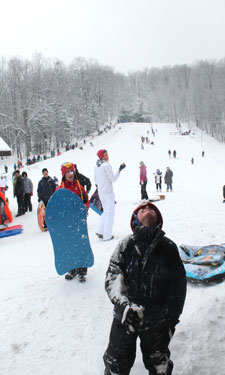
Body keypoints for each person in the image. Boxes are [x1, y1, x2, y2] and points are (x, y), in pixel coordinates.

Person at [103, 201, 186, 375]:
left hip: (157, 322)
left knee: (159, 366)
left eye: (152, 209)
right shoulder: (125, 245)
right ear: (135, 219)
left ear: (159, 220)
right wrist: (123, 305)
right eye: (142, 209)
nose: (147, 208)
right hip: (124, 319)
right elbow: (113, 277)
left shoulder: (168, 248)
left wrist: (171, 321)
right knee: (116, 362)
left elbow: (178, 288)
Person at [57, 162, 89, 282]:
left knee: (81, 246)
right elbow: (56, 206)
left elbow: (86, 200)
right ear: (63, 174)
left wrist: (85, 207)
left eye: (71, 172)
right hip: (67, 224)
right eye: (67, 172)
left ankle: (82, 271)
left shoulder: (79, 187)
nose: (70, 174)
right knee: (69, 246)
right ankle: (72, 269)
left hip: (79, 223)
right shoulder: (60, 189)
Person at [94, 149, 126, 241]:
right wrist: (120, 170)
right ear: (102, 156)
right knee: (110, 214)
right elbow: (113, 179)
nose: (107, 156)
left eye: (107, 154)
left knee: (106, 212)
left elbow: (95, 180)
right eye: (105, 155)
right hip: (108, 192)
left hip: (101, 192)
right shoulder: (106, 165)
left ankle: (100, 230)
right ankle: (107, 236)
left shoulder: (96, 166)